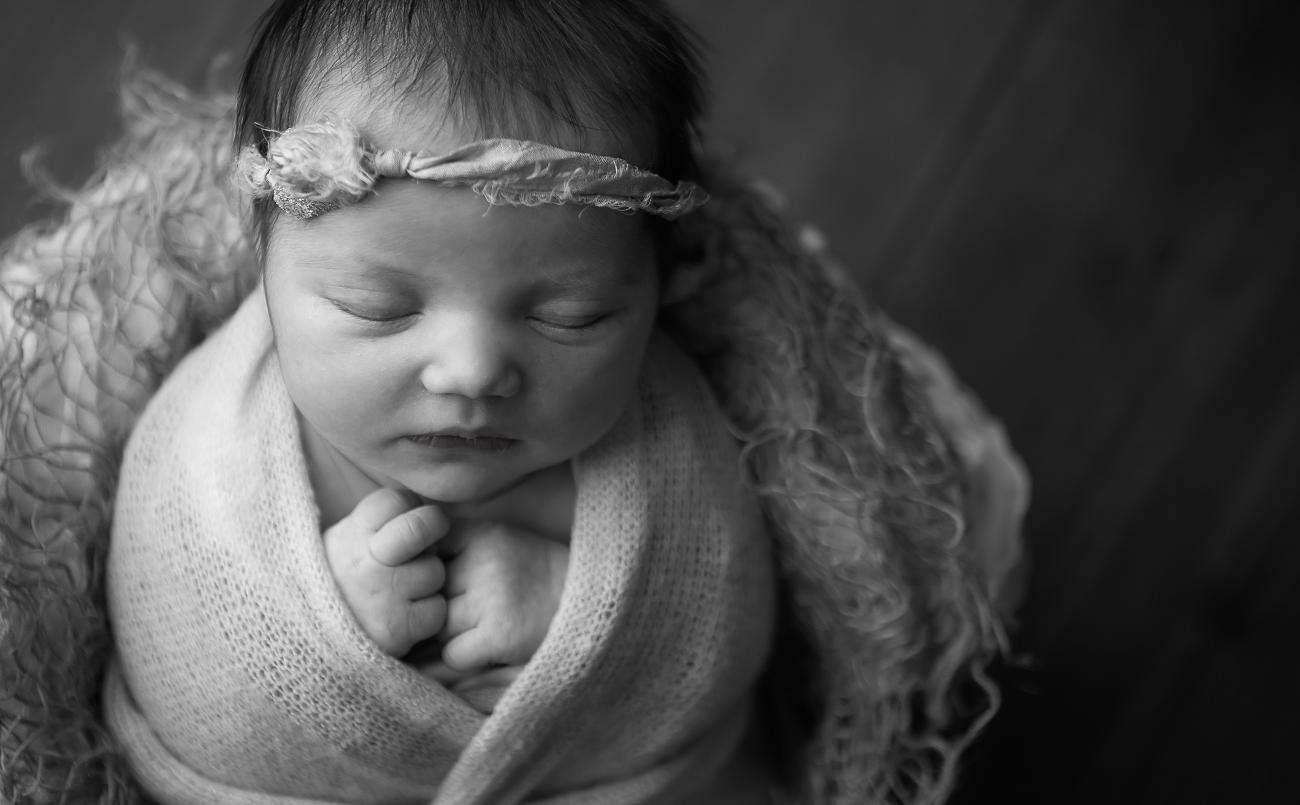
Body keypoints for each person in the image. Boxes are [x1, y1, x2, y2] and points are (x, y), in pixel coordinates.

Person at [0, 1, 1029, 802]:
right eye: (376, 304)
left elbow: (725, 613)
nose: (470, 371)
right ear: (258, 255)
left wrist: (569, 605)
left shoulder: (664, 429)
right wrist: (314, 623)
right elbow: (169, 625)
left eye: (571, 315)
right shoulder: (213, 436)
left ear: (661, 287)